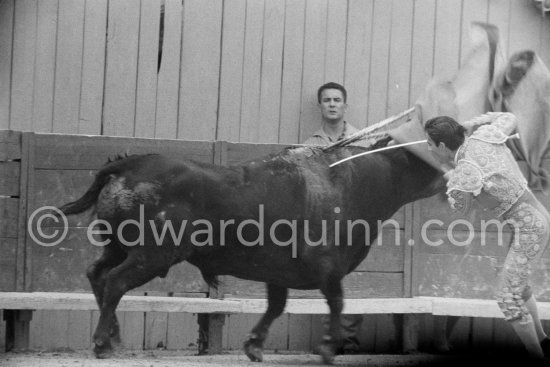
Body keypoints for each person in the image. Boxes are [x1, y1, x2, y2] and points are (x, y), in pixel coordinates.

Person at [424, 112, 550, 359]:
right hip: (533, 220)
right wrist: (475, 122)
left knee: (507, 298)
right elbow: (509, 116)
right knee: (518, 287)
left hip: (528, 228)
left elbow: (461, 207)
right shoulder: (484, 136)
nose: (428, 148)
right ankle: (544, 343)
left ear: (441, 145)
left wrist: (453, 180)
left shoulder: (465, 170)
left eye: (429, 143)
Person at [303, 82, 363, 354]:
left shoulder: (362, 140)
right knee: (330, 278)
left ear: (345, 105)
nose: (331, 104)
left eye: (337, 99)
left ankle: (348, 341)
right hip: (324, 221)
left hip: (356, 219)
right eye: (326, 100)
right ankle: (335, 340)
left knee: (354, 278)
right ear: (320, 106)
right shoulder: (311, 145)